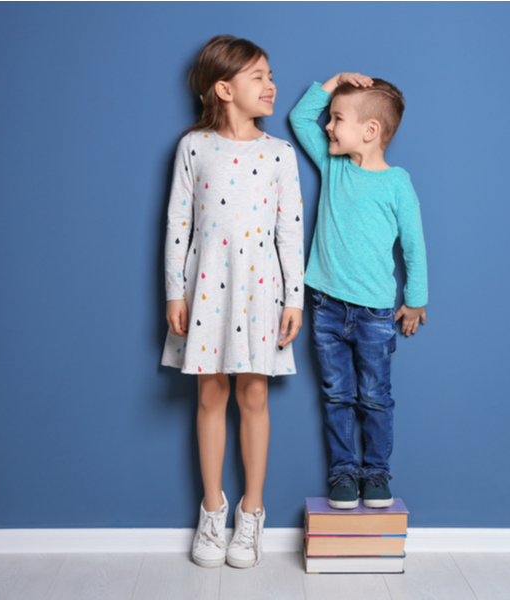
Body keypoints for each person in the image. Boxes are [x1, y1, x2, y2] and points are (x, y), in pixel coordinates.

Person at [162, 35, 304, 568]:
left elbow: (290, 231)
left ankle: (252, 515)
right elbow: (179, 222)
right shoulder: (193, 147)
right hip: (205, 289)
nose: (270, 86)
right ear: (224, 88)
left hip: (260, 291)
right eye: (258, 76)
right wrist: (175, 291)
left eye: (271, 75)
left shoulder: (279, 154)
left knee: (254, 398)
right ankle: (212, 511)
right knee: (209, 396)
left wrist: (295, 297)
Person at [289, 73, 427, 510]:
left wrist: (416, 299)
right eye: (330, 119)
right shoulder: (334, 165)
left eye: (337, 119)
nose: (327, 126)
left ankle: (377, 473)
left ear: (370, 131)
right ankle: (344, 473)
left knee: (374, 397)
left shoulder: (397, 183)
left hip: (375, 315)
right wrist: (333, 83)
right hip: (326, 307)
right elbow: (299, 117)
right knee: (336, 396)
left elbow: (413, 244)